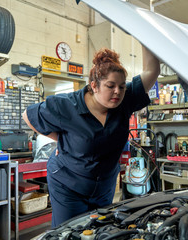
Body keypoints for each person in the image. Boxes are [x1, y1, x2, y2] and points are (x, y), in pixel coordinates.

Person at [22, 46, 160, 228]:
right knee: (69, 232)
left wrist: (143, 28)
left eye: (121, 86)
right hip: (68, 184)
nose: (117, 92)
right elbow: (28, 115)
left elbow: (152, 70)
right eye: (110, 86)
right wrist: (62, 140)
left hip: (104, 185)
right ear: (94, 86)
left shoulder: (124, 100)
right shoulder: (66, 105)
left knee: (100, 229)